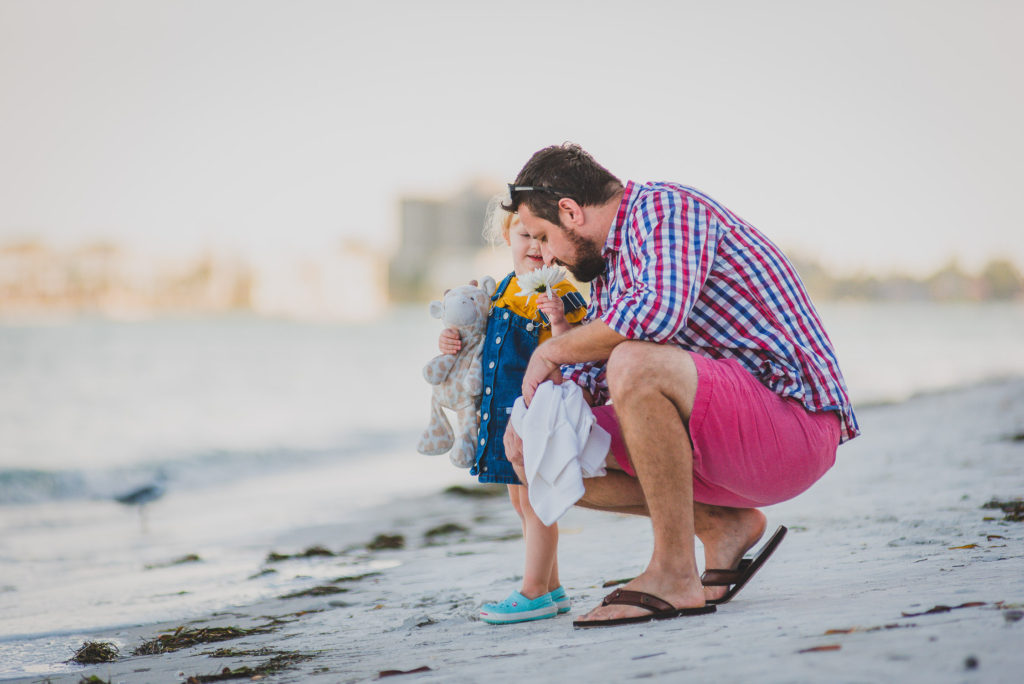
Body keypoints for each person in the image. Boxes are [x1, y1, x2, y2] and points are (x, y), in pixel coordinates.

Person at [501, 143, 860, 628]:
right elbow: (593, 380)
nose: (543, 253)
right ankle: (722, 525)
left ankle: (674, 574)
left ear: (570, 211)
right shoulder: (608, 268)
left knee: (634, 362)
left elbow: (656, 317)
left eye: (544, 236)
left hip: (794, 424)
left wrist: (550, 350)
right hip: (724, 435)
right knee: (539, 449)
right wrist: (533, 416)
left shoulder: (666, 209)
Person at [438, 202, 587, 624]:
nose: (535, 247)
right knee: (522, 504)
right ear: (507, 238)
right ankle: (552, 587)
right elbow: (476, 337)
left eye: (544, 238)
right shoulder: (500, 290)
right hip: (501, 413)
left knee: (538, 502)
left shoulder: (560, 294)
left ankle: (533, 590)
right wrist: (453, 337)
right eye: (526, 236)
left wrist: (558, 322)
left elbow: (573, 351)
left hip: (535, 412)